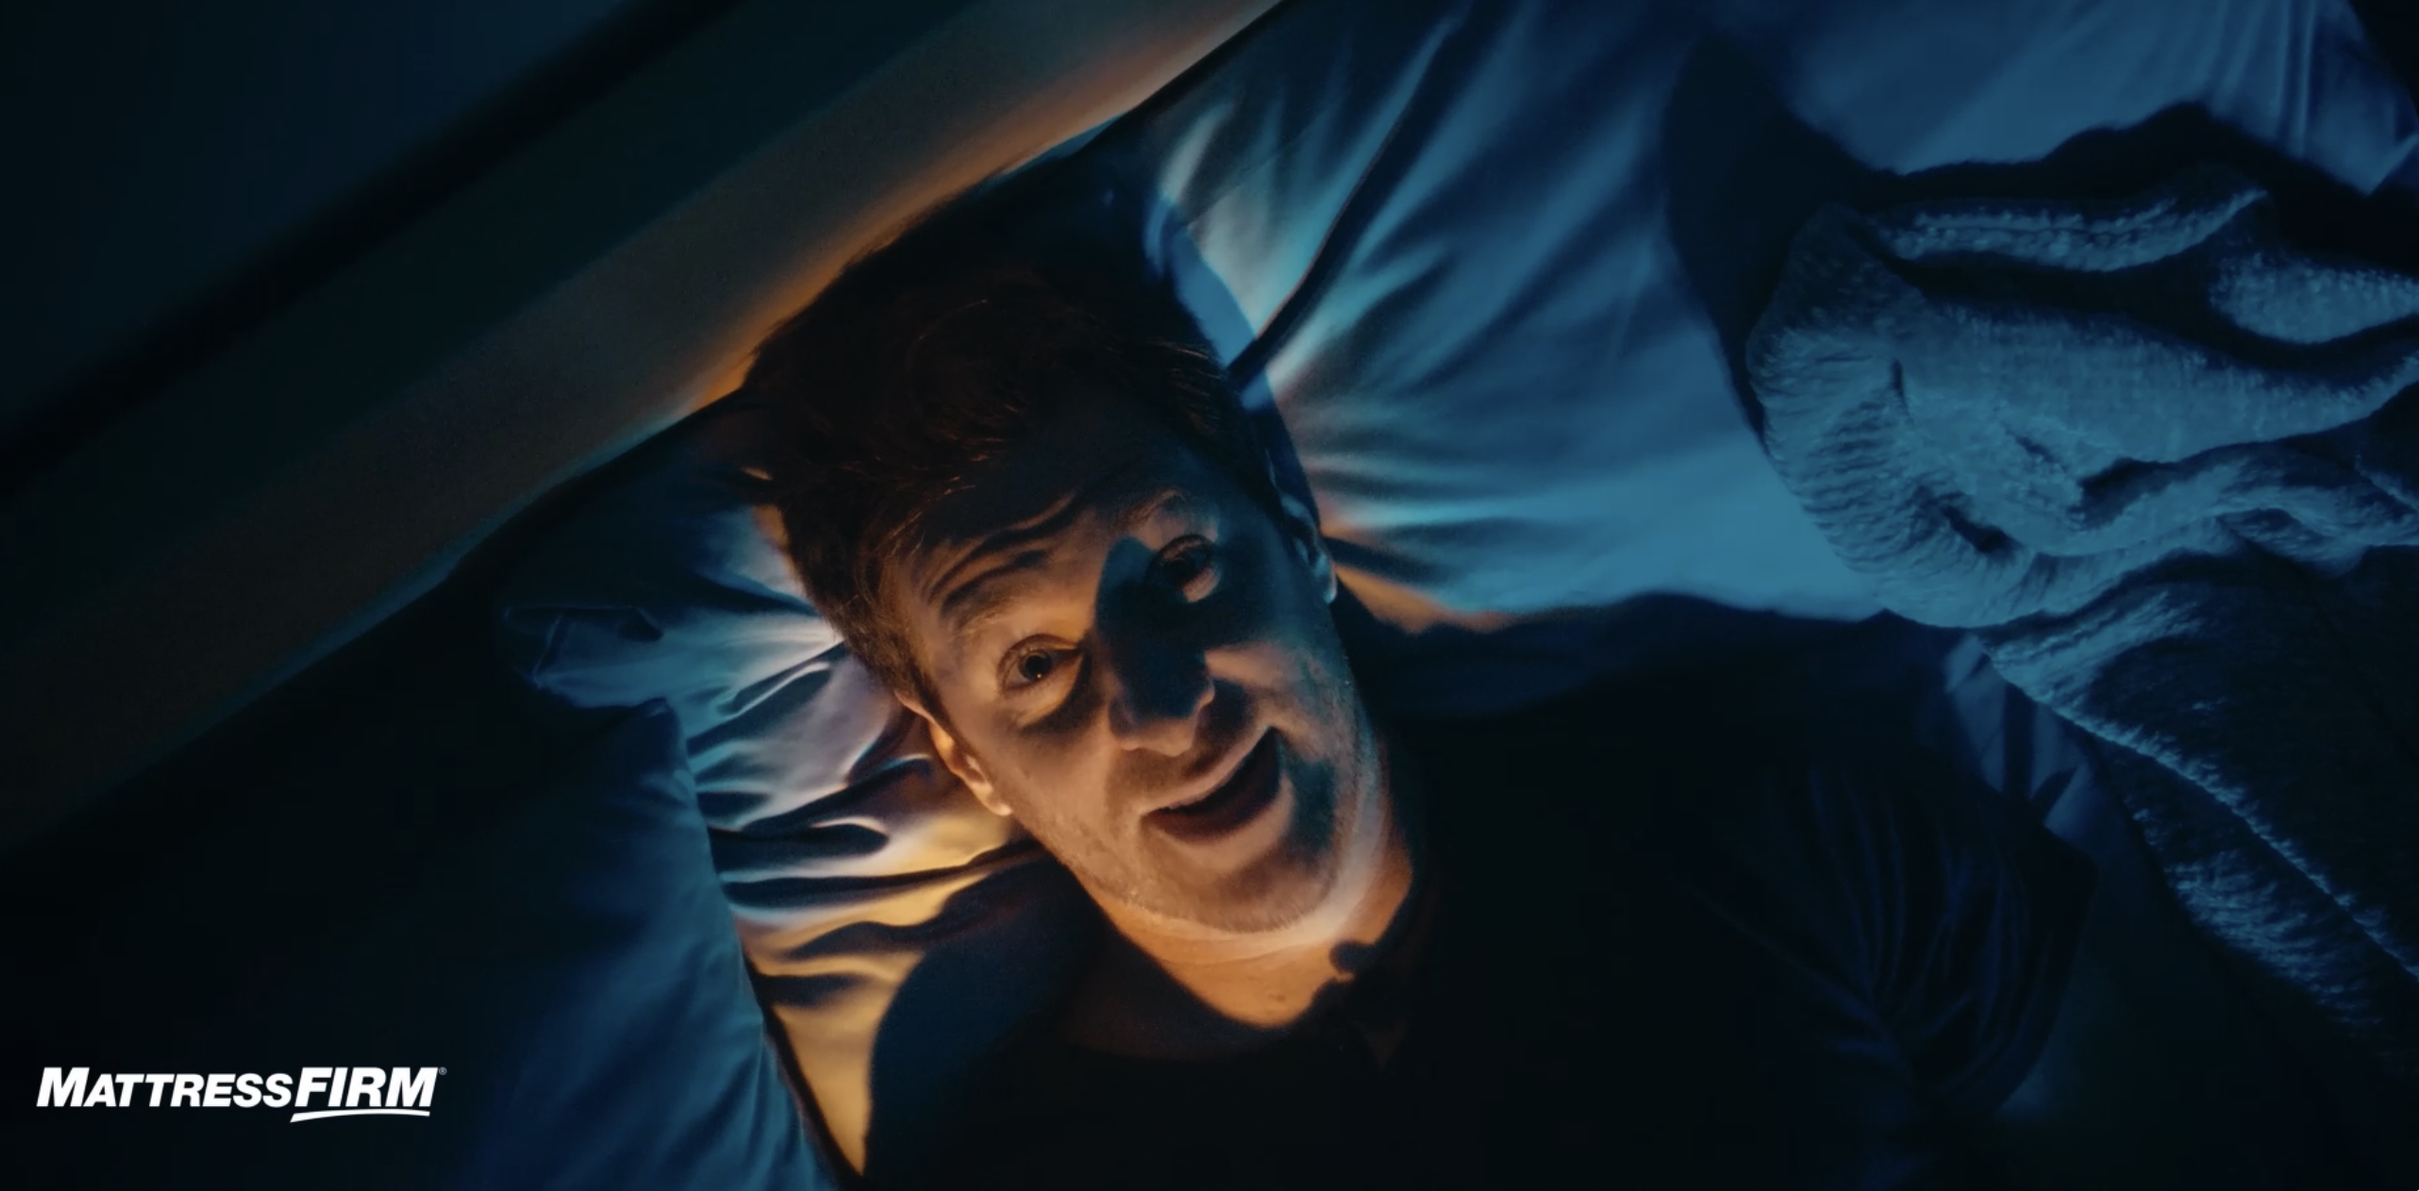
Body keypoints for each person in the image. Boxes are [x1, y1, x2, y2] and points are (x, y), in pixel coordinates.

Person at [743, 173, 2103, 1189]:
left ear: (1293, 532)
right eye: (1037, 666)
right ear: (965, 759)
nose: (1162, 701)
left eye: (1180, 567)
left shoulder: (1771, 822)